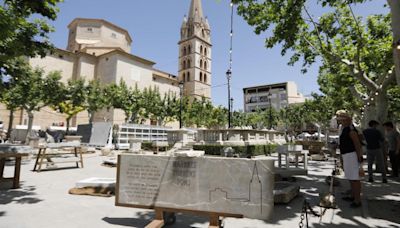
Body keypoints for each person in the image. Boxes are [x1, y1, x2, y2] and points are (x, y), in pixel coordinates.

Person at [336, 110, 363, 208]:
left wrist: (359, 156)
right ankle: (353, 195)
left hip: (352, 155)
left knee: (355, 178)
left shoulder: (351, 130)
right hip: (346, 155)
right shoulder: (344, 129)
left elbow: (357, 144)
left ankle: (357, 200)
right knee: (351, 177)